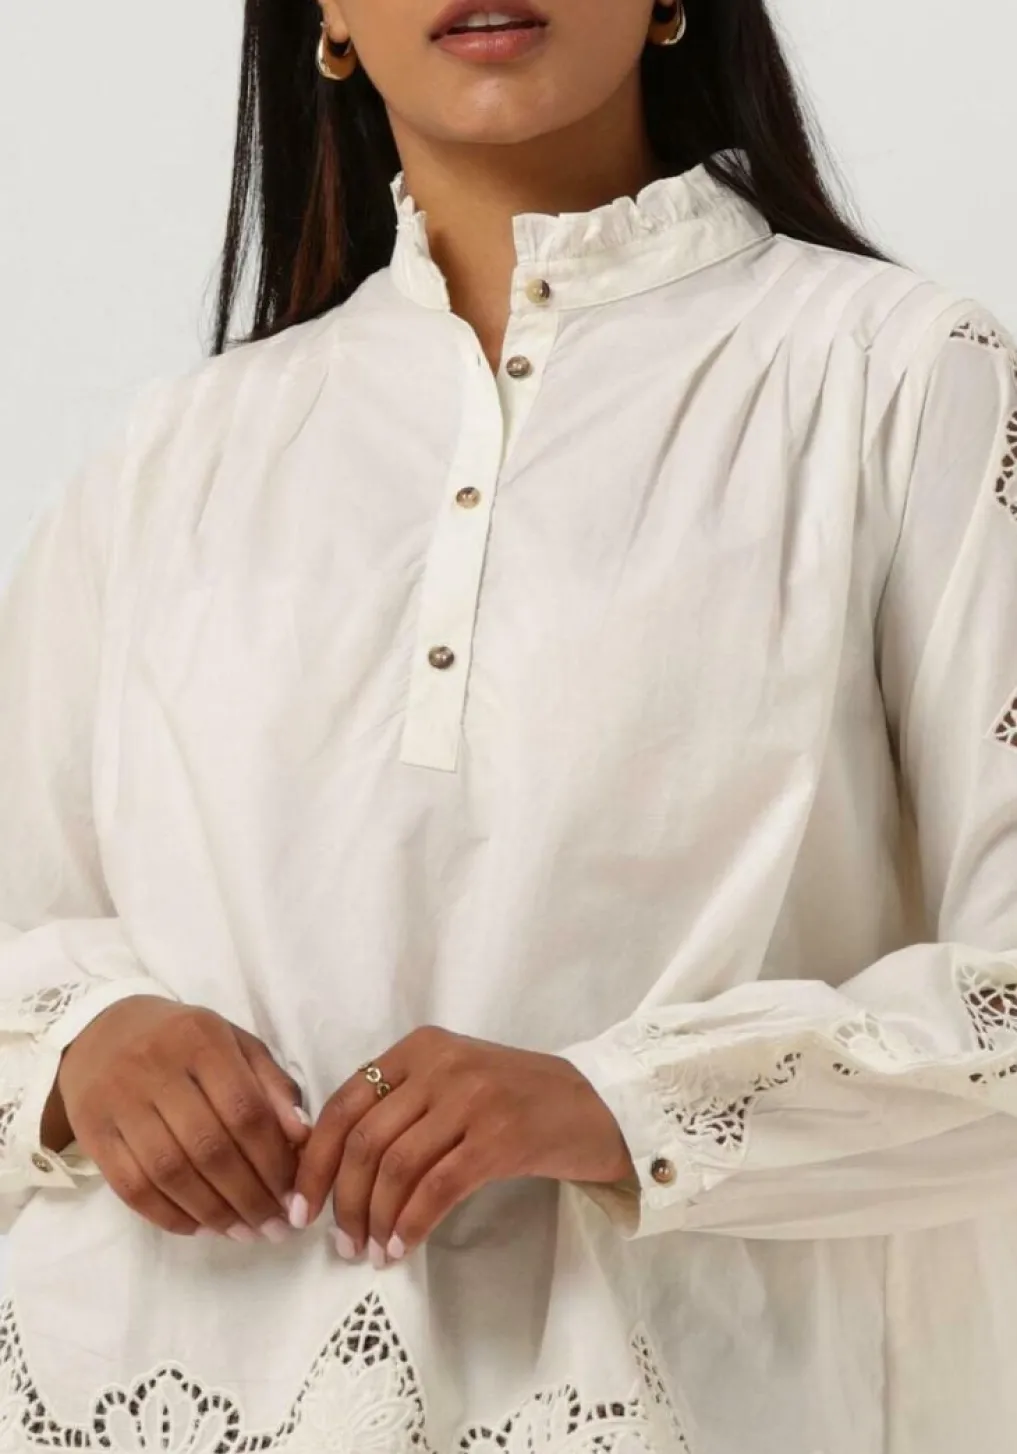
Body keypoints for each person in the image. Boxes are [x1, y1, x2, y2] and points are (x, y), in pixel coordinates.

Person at [2, 0, 1017, 1450]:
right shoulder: (181, 450)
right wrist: (85, 1045)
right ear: (326, 16)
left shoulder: (897, 377)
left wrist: (616, 1104)